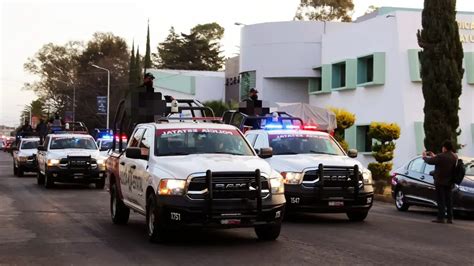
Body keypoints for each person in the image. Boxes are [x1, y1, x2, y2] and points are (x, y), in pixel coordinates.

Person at [422, 140, 458, 224]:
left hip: (440, 181)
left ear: (444, 148)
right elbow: (440, 160)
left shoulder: (441, 156)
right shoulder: (454, 156)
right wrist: (434, 156)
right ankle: (450, 218)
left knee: (441, 200)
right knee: (449, 200)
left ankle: (441, 218)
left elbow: (430, 161)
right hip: (449, 182)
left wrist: (424, 157)